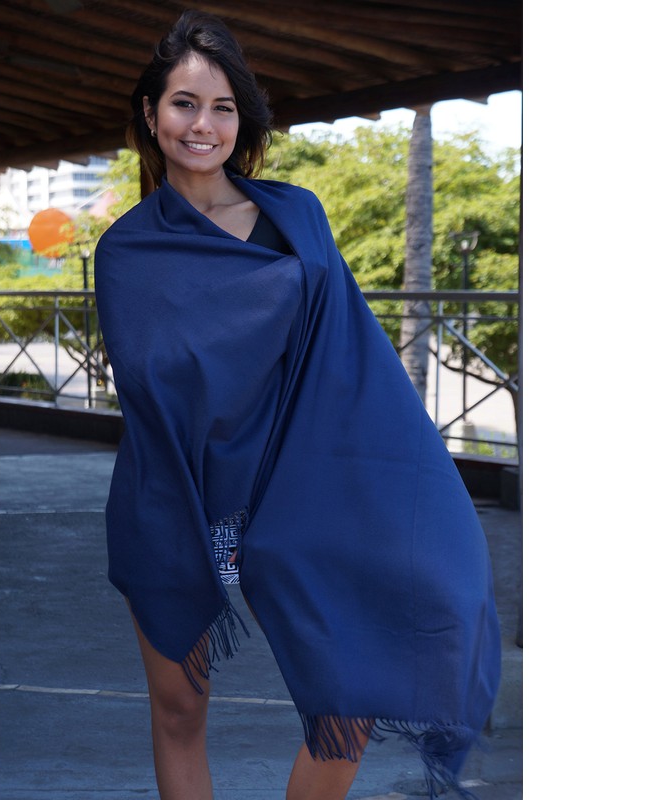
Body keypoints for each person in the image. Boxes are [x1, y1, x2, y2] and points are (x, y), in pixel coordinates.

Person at [94, 10, 501, 800]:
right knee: (179, 711)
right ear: (151, 112)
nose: (202, 125)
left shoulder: (296, 216)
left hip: (302, 485)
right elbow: (151, 386)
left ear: (241, 118)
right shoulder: (127, 250)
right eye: (184, 103)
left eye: (221, 107)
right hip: (182, 497)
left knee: (347, 702)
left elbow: (348, 354)